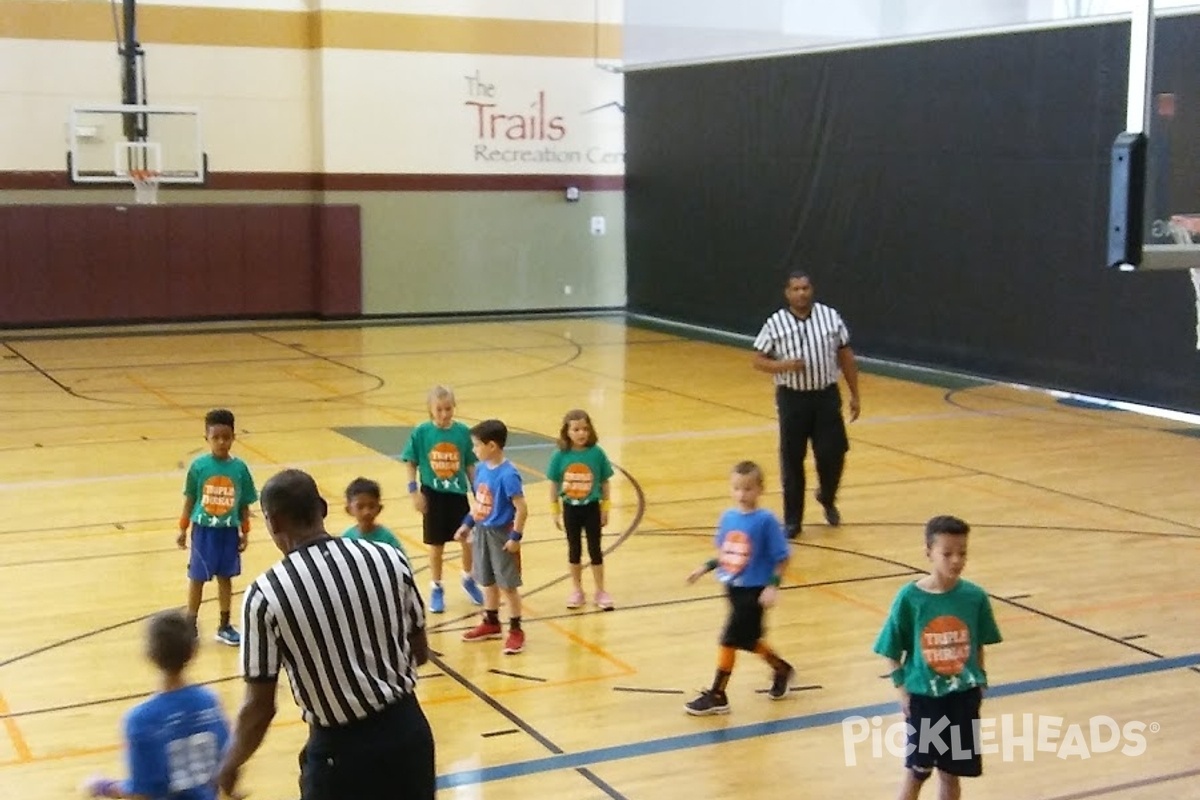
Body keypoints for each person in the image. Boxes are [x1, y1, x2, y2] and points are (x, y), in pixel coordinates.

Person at [216, 468, 435, 800]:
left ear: (273, 522)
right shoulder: (389, 558)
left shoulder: (265, 595)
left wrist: (230, 765)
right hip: (409, 736)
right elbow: (419, 652)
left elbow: (260, 707)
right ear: (322, 508)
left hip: (340, 755)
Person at [873, 515, 1003, 800]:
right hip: (925, 699)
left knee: (950, 771)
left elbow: (978, 642)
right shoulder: (910, 598)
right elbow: (890, 649)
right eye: (947, 553)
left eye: (962, 553)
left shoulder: (975, 597)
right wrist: (901, 690)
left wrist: (979, 680)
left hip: (962, 697)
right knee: (919, 770)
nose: (956, 560)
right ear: (929, 553)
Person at [752, 271, 861, 538]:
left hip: (825, 395)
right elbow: (757, 359)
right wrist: (783, 365)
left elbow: (845, 355)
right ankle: (792, 520)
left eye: (805, 288)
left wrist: (855, 393)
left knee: (833, 452)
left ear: (812, 290)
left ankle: (826, 496)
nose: (801, 293)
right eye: (796, 289)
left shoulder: (830, 317)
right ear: (787, 293)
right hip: (793, 398)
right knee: (792, 459)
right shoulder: (775, 323)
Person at [683, 461, 794, 716]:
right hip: (732, 587)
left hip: (754, 591)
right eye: (737, 488)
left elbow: (783, 556)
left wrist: (772, 586)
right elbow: (727, 552)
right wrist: (705, 567)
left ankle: (718, 694)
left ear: (760, 489)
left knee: (728, 639)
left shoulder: (765, 521)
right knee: (748, 639)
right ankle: (781, 668)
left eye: (748, 489)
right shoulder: (728, 517)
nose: (742, 494)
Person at [83, 610, 230, 800]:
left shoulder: (141, 720)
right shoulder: (210, 702)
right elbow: (227, 761)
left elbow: (142, 793)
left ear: (149, 655)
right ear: (193, 652)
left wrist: (103, 787)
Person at [177, 408, 257, 645]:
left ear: (234, 437)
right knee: (197, 578)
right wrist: (182, 529)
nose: (222, 442)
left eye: (226, 437)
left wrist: (245, 532)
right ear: (207, 438)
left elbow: (244, 504)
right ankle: (190, 624)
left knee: (226, 578)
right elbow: (190, 499)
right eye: (216, 437)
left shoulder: (240, 469)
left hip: (228, 532)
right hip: (203, 531)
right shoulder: (198, 467)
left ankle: (224, 625)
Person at [401, 385, 484, 613]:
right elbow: (410, 461)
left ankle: (468, 578)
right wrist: (414, 491)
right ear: (430, 409)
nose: (444, 414)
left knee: (468, 540)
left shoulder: (463, 433)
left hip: (457, 495)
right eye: (439, 409)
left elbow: (469, 464)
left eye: (448, 408)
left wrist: (479, 494)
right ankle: (436, 586)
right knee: (436, 546)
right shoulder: (421, 432)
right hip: (433, 495)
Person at [455, 419, 527, 655]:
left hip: (501, 534)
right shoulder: (482, 469)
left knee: (508, 585)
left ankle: (516, 629)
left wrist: (515, 537)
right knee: (486, 580)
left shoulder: (508, 475)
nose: (474, 450)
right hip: (482, 531)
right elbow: (480, 502)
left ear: (492, 446)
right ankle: (491, 621)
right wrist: (467, 524)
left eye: (477, 445)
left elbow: (522, 508)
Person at [547, 408, 615, 610]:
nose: (581, 433)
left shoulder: (597, 453)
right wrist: (554, 510)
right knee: (574, 549)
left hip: (592, 508)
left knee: (595, 549)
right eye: (576, 429)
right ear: (567, 432)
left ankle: (601, 590)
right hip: (570, 509)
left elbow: (604, 482)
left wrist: (606, 508)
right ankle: (577, 590)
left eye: (584, 429)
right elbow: (553, 484)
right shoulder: (560, 455)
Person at [342, 476, 409, 560]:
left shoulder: (387, 538)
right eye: (360, 506)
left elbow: (402, 562)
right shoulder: (346, 538)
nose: (366, 512)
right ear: (349, 509)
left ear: (379, 508)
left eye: (371, 506)